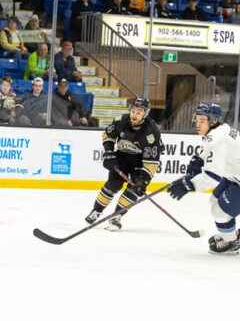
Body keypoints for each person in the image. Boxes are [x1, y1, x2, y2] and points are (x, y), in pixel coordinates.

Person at [168, 103, 240, 252]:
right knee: (214, 200)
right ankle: (232, 235)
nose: (197, 124)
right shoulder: (220, 131)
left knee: (219, 213)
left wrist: (189, 184)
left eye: (202, 120)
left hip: (236, 179)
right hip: (233, 177)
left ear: (212, 121)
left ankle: (233, 242)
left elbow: (212, 176)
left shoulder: (217, 138)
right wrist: (197, 162)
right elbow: (206, 152)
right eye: (197, 119)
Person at [85, 98, 163, 231]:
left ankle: (116, 216)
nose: (135, 114)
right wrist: (109, 152)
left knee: (134, 190)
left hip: (140, 161)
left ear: (145, 114)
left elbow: (152, 161)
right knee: (112, 185)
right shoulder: (121, 121)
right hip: (122, 157)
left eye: (139, 112)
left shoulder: (151, 132)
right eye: (133, 111)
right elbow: (108, 134)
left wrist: (143, 180)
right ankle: (96, 211)